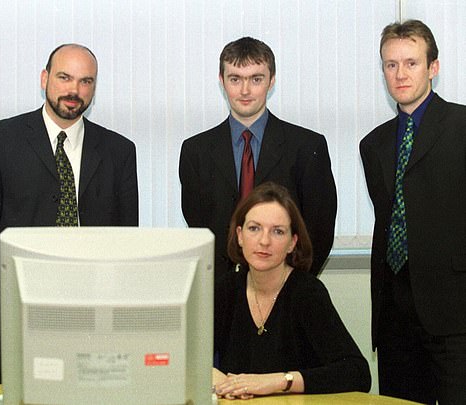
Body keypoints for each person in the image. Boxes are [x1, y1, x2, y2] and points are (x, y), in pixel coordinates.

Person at [0, 43, 139, 384]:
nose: (74, 90)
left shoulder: (119, 152)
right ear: (44, 79)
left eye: (86, 81)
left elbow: (125, 240)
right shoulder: (4, 139)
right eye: (64, 77)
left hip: (92, 318)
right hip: (9, 313)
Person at [179, 36, 337, 343]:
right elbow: (200, 227)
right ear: (221, 80)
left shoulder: (307, 147)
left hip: (289, 299)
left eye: (256, 79)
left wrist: (288, 287)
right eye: (235, 79)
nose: (245, 90)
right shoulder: (196, 151)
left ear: (272, 81)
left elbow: (319, 229)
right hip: (221, 303)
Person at [360, 20, 466, 405]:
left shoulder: (461, 126)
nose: (400, 74)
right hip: (395, 319)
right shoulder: (373, 144)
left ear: (433, 67)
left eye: (411, 63)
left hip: (455, 316)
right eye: (391, 65)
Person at [213, 182, 369, 399]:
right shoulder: (226, 289)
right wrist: (222, 381)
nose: (264, 241)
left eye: (277, 231)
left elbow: (357, 373)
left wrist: (279, 381)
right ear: (239, 236)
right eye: (254, 228)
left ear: (292, 243)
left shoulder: (307, 293)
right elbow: (185, 355)